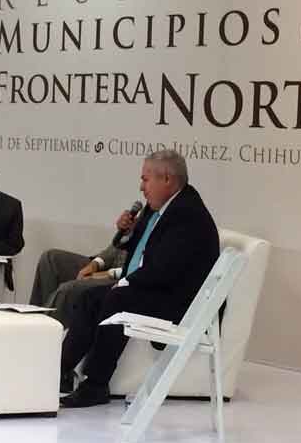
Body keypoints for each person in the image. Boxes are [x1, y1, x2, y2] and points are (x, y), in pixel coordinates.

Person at [59, 150, 220, 407]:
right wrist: (125, 233)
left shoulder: (187, 214)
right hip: (158, 289)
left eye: (145, 179)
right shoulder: (160, 207)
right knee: (90, 297)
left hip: (182, 302)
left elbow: (165, 269)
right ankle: (60, 370)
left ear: (166, 179)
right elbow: (138, 250)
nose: (141, 187)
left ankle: (96, 384)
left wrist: (123, 283)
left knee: (117, 299)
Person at [29, 243, 126, 327]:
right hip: (111, 266)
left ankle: (43, 332)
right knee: (50, 258)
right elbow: (116, 246)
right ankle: (34, 322)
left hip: (125, 279)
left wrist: (110, 274)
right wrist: (95, 264)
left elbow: (135, 271)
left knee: (69, 289)